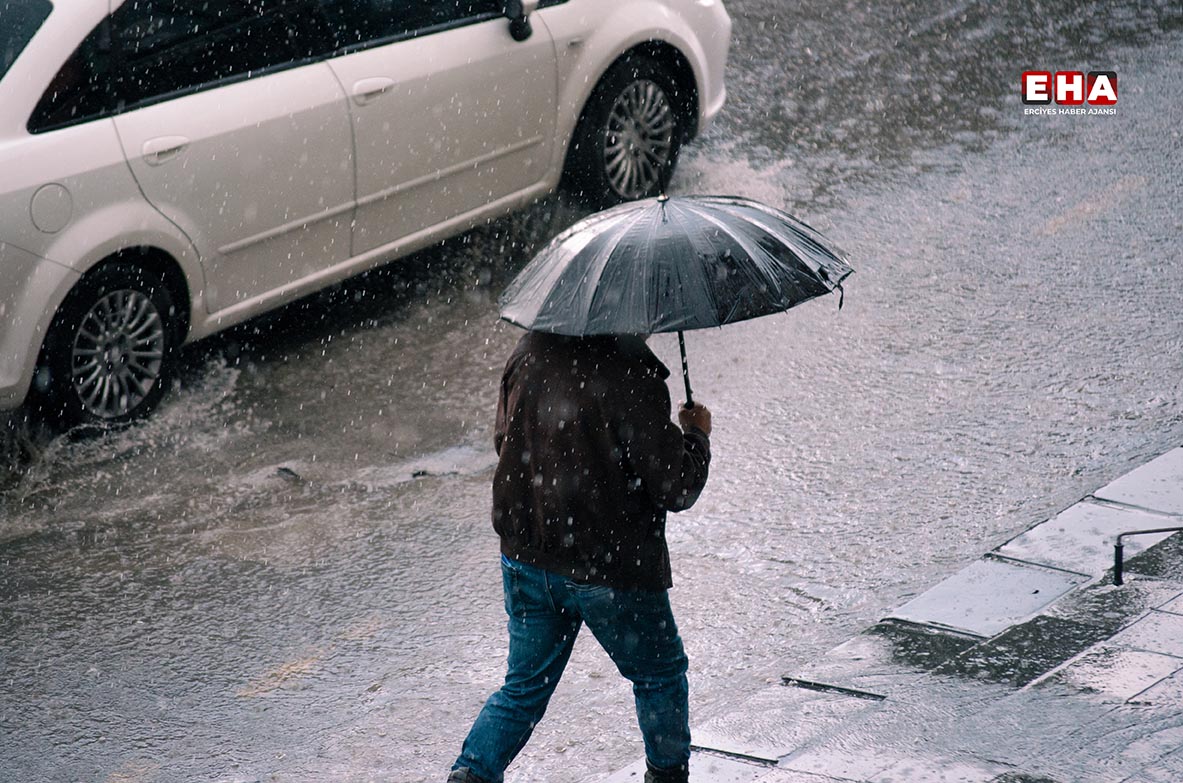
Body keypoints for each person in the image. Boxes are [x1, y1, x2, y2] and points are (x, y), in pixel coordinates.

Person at [448, 331, 712, 783]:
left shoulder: (528, 351)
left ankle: (470, 776)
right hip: (610, 568)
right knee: (659, 676)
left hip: (529, 556)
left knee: (523, 689)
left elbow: (505, 441)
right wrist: (696, 434)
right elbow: (676, 486)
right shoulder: (634, 373)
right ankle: (667, 776)